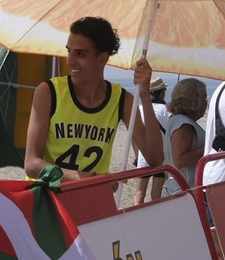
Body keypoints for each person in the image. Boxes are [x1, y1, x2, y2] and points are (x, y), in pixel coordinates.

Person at [22, 16, 163, 181]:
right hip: (47, 200)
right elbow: (31, 165)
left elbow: (155, 159)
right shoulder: (49, 92)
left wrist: (145, 96)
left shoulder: (122, 100)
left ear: (102, 58)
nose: (70, 61)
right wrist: (86, 179)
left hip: (90, 201)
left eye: (80, 54)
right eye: (69, 51)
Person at [160, 78, 209, 196]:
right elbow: (180, 161)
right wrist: (209, 146)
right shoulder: (183, 124)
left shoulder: (178, 120)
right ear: (195, 100)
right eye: (204, 97)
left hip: (181, 189)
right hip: (182, 191)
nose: (206, 102)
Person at [134, 77, 172, 205]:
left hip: (143, 156)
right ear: (162, 92)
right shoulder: (168, 111)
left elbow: (135, 137)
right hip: (162, 157)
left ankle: (136, 218)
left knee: (139, 193)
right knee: (156, 194)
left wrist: (137, 155)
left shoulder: (139, 110)